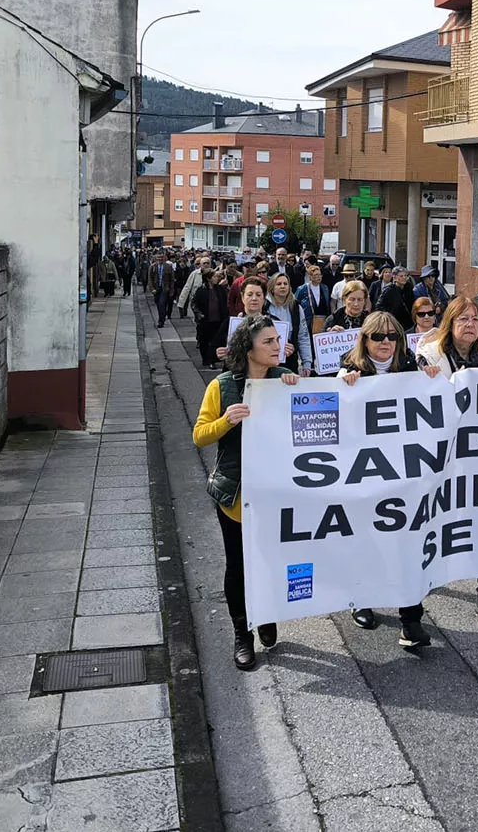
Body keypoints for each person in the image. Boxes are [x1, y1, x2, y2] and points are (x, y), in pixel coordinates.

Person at [195, 316, 300, 670]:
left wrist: (294, 388)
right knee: (238, 566)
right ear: (248, 349)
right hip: (235, 495)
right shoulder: (221, 386)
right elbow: (200, 435)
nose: (276, 347)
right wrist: (227, 420)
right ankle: (243, 633)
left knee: (271, 561)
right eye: (268, 342)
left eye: (277, 340)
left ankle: (266, 614)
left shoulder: (283, 379)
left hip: (277, 493)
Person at [336, 312, 443, 649]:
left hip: (403, 475)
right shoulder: (348, 372)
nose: (385, 342)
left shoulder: (412, 369)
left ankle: (410, 621)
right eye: (378, 336)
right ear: (364, 340)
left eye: (392, 337)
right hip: (365, 476)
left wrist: (431, 380)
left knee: (407, 545)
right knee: (365, 541)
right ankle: (361, 599)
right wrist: (344, 390)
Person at [417, 297, 478, 626]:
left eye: (475, 319)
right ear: (450, 323)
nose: (470, 324)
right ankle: (420, 579)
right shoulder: (429, 356)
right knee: (431, 517)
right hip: (438, 455)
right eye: (463, 319)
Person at [265, 271, 312, 374]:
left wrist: (307, 363)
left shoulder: (296, 307)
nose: (283, 286)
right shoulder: (264, 307)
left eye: (285, 284)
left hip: (290, 361)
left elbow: (303, 336)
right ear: (272, 288)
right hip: (267, 362)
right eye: (279, 284)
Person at [218, 278, 270, 366]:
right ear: (242, 297)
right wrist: (219, 353)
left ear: (264, 298)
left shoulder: (274, 322)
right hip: (236, 373)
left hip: (266, 375)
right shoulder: (230, 323)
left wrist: (288, 349)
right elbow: (213, 348)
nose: (254, 298)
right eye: (249, 294)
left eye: (258, 295)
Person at [193, 267, 230, 368]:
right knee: (204, 340)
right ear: (208, 278)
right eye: (214, 277)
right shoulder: (201, 290)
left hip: (218, 319)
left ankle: (212, 360)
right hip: (205, 320)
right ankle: (206, 359)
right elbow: (194, 304)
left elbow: (225, 303)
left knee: (215, 340)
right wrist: (199, 314)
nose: (216, 278)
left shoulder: (220, 289)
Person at [295, 263, 331, 335]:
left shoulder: (325, 288)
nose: (319, 277)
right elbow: (295, 304)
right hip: (308, 322)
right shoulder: (302, 289)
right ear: (310, 277)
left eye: (320, 275)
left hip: (322, 322)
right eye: (316, 275)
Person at [153, 254, 177, 327]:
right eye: (158, 257)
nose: (160, 259)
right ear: (156, 258)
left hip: (165, 288)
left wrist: (171, 290)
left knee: (162, 303)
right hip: (156, 288)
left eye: (161, 257)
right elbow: (150, 278)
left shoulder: (168, 266)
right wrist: (151, 288)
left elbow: (172, 279)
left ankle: (161, 321)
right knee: (158, 304)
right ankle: (162, 316)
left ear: (164, 258)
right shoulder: (153, 266)